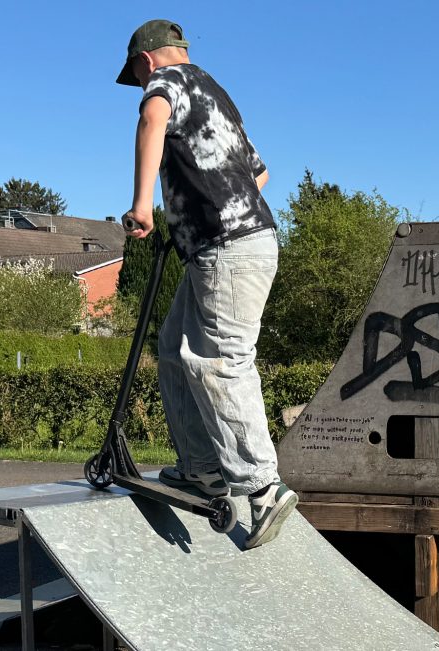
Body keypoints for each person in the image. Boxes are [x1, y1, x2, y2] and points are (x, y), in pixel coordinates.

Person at [116, 19, 297, 548]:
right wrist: (194, 213)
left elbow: (152, 119)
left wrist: (143, 205)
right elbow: (259, 174)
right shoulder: (218, 96)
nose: (140, 83)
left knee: (221, 359)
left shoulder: (166, 84)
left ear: (146, 61)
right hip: (229, 246)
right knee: (173, 348)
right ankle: (202, 470)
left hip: (227, 249)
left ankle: (262, 487)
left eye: (136, 73)